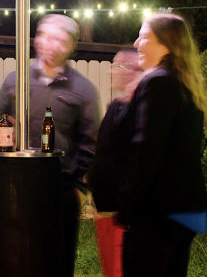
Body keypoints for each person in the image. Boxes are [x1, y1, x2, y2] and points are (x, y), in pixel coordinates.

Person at [0, 14, 100, 277]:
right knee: (15, 258)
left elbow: (92, 142)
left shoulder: (83, 90)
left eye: (60, 40)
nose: (52, 45)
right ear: (37, 40)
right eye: (47, 37)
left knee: (55, 262)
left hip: (59, 188)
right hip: (14, 186)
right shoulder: (15, 80)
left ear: (72, 46)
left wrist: (79, 189)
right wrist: (4, 128)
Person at [114, 13, 207, 277]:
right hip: (183, 212)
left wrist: (127, 206)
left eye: (144, 37)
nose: (136, 43)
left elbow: (146, 150)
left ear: (165, 44)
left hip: (156, 214)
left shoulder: (157, 82)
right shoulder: (184, 84)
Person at [87, 48, 142, 277]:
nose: (112, 71)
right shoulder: (115, 107)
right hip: (105, 210)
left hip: (123, 213)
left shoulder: (140, 110)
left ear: (134, 71)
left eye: (119, 66)